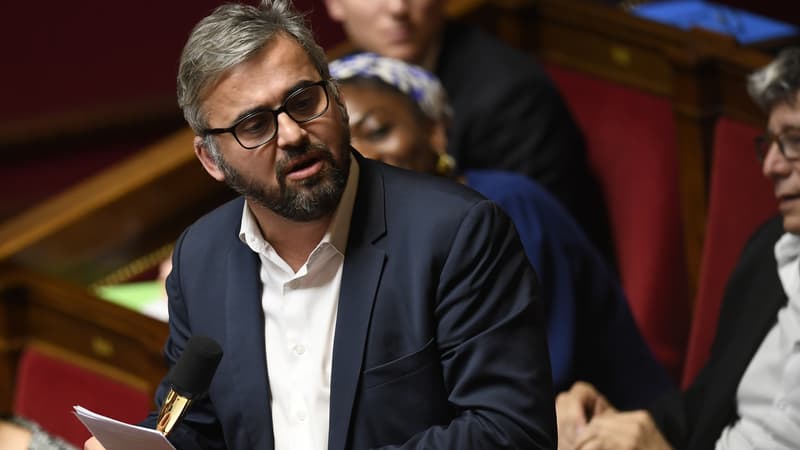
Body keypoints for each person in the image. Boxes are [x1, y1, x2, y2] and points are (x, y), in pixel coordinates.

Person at [84, 1, 556, 449]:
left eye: (304, 100)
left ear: (337, 98)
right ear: (210, 159)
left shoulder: (456, 233)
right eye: (253, 125)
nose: (291, 134)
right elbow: (199, 425)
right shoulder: (200, 257)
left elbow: (509, 430)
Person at [328, 51, 673, 408]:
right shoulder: (370, 234)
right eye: (343, 145)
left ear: (435, 133)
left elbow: (536, 378)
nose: (362, 156)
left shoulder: (506, 207)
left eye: (378, 131)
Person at [555, 47, 800, 450]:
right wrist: (613, 421)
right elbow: (703, 406)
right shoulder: (770, 248)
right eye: (770, 143)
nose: (770, 165)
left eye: (792, 141)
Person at [321, 0, 616, 265]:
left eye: (378, 131)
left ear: (435, 131)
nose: (397, 8)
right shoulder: (338, 80)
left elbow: (528, 248)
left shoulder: (512, 98)